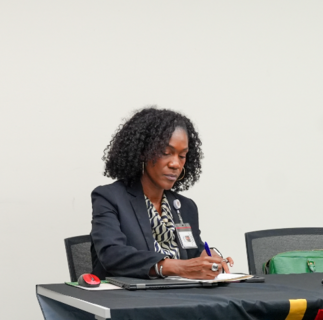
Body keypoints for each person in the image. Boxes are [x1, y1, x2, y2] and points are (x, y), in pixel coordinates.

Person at [91, 107, 233, 279]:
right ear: (143, 152)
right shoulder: (110, 198)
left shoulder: (186, 206)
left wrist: (208, 259)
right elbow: (112, 255)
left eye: (182, 156)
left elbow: (193, 251)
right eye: (166, 153)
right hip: (130, 300)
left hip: (184, 297)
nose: (175, 164)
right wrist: (176, 266)